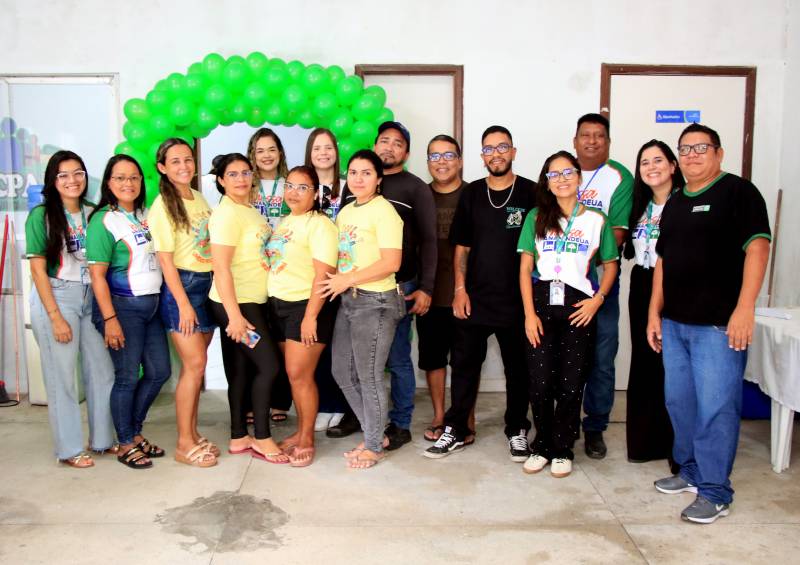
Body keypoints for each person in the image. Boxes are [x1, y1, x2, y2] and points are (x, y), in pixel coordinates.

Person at [647, 123, 771, 524]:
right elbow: (663, 262)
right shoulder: (678, 201)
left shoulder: (739, 192)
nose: (692, 155)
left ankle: (716, 491)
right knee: (679, 402)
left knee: (717, 406)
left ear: (719, 153)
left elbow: (757, 247)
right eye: (685, 149)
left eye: (701, 147)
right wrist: (654, 312)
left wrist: (745, 308)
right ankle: (692, 471)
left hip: (719, 326)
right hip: (675, 324)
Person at [425, 125, 536, 461]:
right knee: (464, 366)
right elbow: (462, 246)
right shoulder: (472, 193)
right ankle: (455, 429)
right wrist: (459, 290)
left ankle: (517, 429)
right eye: (489, 149)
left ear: (513, 152)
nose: (496, 154)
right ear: (482, 155)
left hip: (516, 301)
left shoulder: (531, 193)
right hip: (474, 298)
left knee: (518, 369)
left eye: (502, 147)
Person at [517, 151, 619, 478]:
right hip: (542, 301)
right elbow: (524, 269)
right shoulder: (536, 216)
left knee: (571, 381)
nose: (561, 179)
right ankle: (543, 444)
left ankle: (562, 448)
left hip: (580, 306)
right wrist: (528, 315)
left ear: (578, 177)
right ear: (546, 181)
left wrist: (598, 299)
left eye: (567, 172)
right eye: (553, 174)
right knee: (540, 380)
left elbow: (611, 265)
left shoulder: (596, 219)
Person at [339, 121, 437, 449]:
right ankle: (365, 417)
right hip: (355, 290)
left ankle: (401, 422)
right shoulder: (352, 191)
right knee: (359, 361)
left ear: (406, 153)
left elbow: (428, 241)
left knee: (395, 359)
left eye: (398, 143)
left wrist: (426, 287)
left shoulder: (415, 188)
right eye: (384, 140)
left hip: (399, 286)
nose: (389, 147)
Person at [25, 150, 115, 468]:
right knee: (62, 376)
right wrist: (54, 316)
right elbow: (37, 270)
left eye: (78, 173)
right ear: (53, 180)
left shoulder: (94, 213)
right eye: (63, 175)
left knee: (102, 370)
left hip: (91, 296)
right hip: (57, 296)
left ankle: (103, 439)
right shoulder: (42, 215)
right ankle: (70, 448)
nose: (72, 180)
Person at [319, 149, 404, 469]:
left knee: (369, 376)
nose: (358, 178)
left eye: (366, 172)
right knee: (341, 371)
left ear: (379, 179)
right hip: (349, 299)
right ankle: (374, 432)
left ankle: (373, 445)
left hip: (377, 302)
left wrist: (348, 279)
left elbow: (391, 262)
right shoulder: (346, 211)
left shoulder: (385, 213)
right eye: (353, 172)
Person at [87, 154, 171, 470]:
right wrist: (109, 319)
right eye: (120, 178)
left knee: (160, 371)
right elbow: (97, 276)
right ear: (109, 182)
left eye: (134, 177)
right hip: (122, 309)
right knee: (126, 378)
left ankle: (133, 432)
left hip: (151, 307)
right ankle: (125, 442)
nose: (128, 183)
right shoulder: (103, 220)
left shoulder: (144, 214)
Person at [206, 153, 285, 463]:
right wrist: (235, 317)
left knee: (240, 372)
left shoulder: (248, 210)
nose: (241, 178)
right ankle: (262, 438)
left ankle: (239, 436)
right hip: (236, 305)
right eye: (233, 174)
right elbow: (221, 268)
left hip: (251, 301)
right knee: (269, 367)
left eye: (245, 172)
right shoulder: (226, 215)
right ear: (221, 181)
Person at [148, 138, 217, 468]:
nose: (184, 166)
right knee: (194, 367)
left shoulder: (198, 196)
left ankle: (193, 433)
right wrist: (184, 305)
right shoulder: (162, 206)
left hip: (205, 286)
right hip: (183, 290)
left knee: (199, 366)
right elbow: (166, 262)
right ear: (162, 167)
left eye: (188, 160)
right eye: (175, 162)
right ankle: (183, 443)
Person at [266, 165, 339, 467]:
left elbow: (324, 275)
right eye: (290, 186)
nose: (294, 192)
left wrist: (311, 317)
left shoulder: (320, 225)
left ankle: (307, 438)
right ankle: (300, 431)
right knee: (294, 376)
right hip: (278, 306)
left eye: (302, 187)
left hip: (305, 307)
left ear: (315, 193)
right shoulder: (284, 222)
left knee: (300, 375)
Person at [572, 112, 633, 460]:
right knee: (562, 353)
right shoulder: (562, 169)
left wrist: (578, 255)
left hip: (599, 278)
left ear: (608, 142)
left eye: (599, 135)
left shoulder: (619, 177)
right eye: (585, 135)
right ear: (575, 140)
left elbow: (619, 233)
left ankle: (595, 426)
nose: (591, 141)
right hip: (560, 280)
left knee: (601, 355)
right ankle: (561, 419)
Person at [623, 140, 683, 470]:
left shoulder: (684, 204)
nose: (651, 167)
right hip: (642, 283)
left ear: (674, 166)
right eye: (644, 162)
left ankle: (679, 446)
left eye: (658, 160)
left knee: (674, 366)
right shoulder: (639, 205)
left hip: (677, 288)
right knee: (645, 363)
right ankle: (646, 443)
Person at [417, 134, 471, 442]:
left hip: (466, 294)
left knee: (466, 360)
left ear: (460, 161)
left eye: (448, 155)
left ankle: (465, 418)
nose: (442, 162)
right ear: (427, 163)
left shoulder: (474, 194)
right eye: (435, 156)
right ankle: (439, 415)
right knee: (433, 358)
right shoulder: (420, 195)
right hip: (429, 294)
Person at [304, 128, 348, 433]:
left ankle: (341, 405)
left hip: (346, 277)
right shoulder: (303, 188)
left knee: (341, 346)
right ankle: (322, 403)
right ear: (309, 153)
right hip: (312, 277)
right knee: (316, 342)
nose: (323, 153)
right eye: (317, 148)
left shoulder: (350, 185)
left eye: (328, 147)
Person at [246, 127, 291, 423]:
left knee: (283, 338)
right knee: (255, 339)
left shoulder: (290, 185)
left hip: (285, 268)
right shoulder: (244, 184)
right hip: (253, 268)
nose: (266, 155)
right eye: (260, 150)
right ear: (253, 154)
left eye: (271, 149)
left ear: (280, 153)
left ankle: (280, 402)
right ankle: (251, 402)